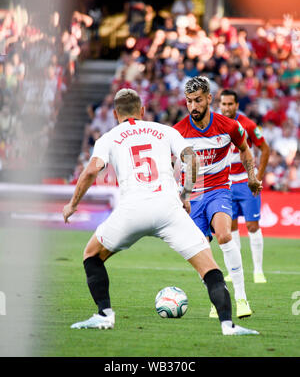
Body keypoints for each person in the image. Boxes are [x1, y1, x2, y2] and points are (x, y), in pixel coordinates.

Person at [62, 88, 259, 336]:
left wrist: (73, 204)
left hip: (132, 211)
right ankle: (228, 326)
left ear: (115, 114)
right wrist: (185, 196)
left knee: (91, 255)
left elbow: (92, 170)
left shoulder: (109, 137)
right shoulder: (166, 130)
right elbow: (191, 159)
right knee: (210, 267)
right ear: (142, 111)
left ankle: (104, 315)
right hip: (168, 209)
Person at [173, 76, 262, 319]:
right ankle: (218, 297)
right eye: (189, 101)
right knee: (201, 251)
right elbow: (173, 166)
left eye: (198, 100)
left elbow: (245, 149)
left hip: (219, 188)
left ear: (209, 99)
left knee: (224, 235)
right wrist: (177, 194)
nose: (193, 106)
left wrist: (252, 177)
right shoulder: (178, 132)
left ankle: (242, 298)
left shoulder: (228, 126)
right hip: (193, 193)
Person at [219, 89, 270, 283]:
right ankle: (235, 270)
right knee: (230, 227)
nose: (227, 107)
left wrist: (258, 176)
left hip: (246, 181)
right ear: (220, 104)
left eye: (230, 104)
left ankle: (258, 270)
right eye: (223, 104)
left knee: (252, 225)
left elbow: (265, 149)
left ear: (237, 105)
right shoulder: (215, 124)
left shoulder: (248, 124)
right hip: (225, 183)